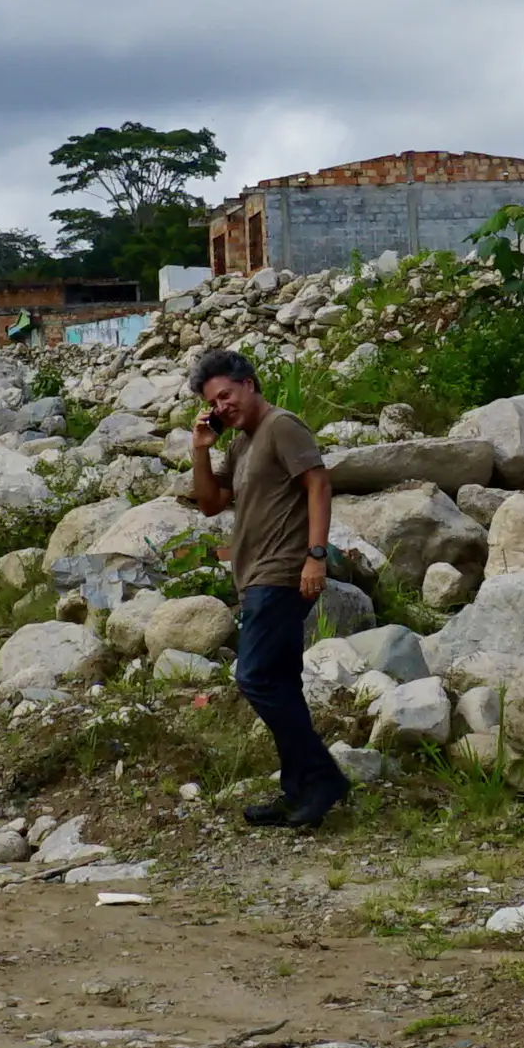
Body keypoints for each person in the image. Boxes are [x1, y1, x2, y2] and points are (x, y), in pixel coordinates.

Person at [183, 345, 350, 829]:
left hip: (280, 573)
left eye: (227, 395)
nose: (222, 407)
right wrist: (200, 448)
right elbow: (211, 504)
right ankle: (297, 791)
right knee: (280, 684)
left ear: (250, 385)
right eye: (214, 402)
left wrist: (316, 557)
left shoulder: (282, 425)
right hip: (253, 575)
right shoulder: (240, 441)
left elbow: (318, 485)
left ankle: (323, 778)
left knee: (253, 677)